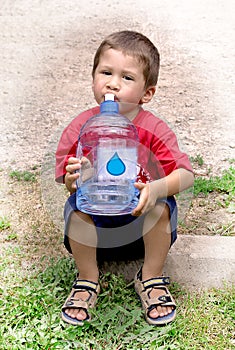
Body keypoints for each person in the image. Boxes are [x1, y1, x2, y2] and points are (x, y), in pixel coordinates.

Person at [55, 30, 194, 326]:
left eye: (127, 78)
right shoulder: (81, 127)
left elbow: (185, 176)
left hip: (141, 230)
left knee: (161, 206)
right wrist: (72, 179)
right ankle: (87, 278)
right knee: (76, 209)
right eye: (106, 72)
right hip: (97, 231)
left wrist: (156, 188)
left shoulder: (154, 129)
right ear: (94, 77)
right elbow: (68, 183)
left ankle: (151, 277)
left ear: (147, 93)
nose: (113, 84)